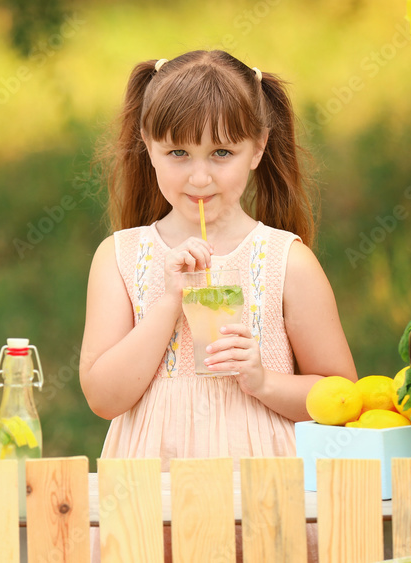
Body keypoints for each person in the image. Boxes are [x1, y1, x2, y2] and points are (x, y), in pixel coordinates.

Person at [80, 50, 357, 561]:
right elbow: (103, 396)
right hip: (148, 496)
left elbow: (341, 398)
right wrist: (167, 303)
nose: (200, 177)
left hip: (263, 500)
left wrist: (264, 380)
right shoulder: (120, 257)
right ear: (148, 146)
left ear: (257, 148)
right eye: (178, 153)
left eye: (222, 153)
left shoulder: (286, 262)